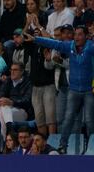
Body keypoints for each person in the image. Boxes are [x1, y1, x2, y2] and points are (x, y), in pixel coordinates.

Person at [27, 25, 94, 154]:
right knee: (68, 119)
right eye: (75, 34)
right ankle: (63, 146)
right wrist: (35, 39)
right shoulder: (70, 46)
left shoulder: (91, 47)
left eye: (80, 34)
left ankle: (92, 146)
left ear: (86, 36)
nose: (77, 37)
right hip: (73, 90)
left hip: (88, 91)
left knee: (90, 121)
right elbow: (53, 43)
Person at [0, 62, 32, 138]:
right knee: (0, 112)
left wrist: (11, 102)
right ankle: (10, 129)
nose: (12, 72)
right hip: (8, 110)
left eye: (15, 70)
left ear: (22, 71)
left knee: (2, 111)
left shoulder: (28, 82)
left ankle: (3, 140)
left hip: (22, 111)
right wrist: (0, 100)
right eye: (11, 70)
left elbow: (27, 100)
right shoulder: (8, 80)